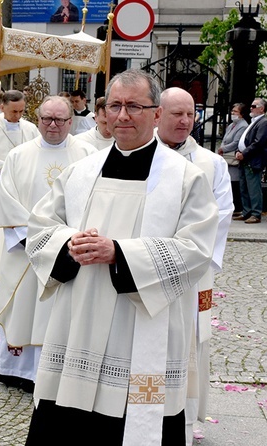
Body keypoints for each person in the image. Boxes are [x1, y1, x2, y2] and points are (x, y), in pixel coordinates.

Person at [24, 69, 219, 445]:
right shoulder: (80, 173)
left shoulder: (185, 178)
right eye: (115, 105)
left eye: (134, 106)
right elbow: (40, 227)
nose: (123, 116)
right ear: (104, 112)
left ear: (156, 114)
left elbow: (196, 250)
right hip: (79, 319)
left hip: (141, 325)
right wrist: (69, 243)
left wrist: (120, 253)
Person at [0, 95, 96, 393]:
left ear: (70, 122)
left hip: (67, 253)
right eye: (47, 118)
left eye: (60, 120)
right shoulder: (18, 155)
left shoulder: (87, 155)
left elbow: (93, 203)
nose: (53, 125)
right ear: (38, 120)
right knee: (23, 307)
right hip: (25, 250)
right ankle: (16, 370)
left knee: (59, 311)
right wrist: (34, 239)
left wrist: (64, 242)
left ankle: (56, 371)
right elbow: (5, 201)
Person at [155, 86, 233, 446]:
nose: (186, 121)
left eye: (191, 114)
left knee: (192, 341)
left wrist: (189, 256)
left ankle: (182, 423)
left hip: (195, 273)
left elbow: (221, 215)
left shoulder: (211, 163)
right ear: (158, 114)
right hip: (149, 268)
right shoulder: (141, 156)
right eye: (177, 114)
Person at [234, 98, 267, 224]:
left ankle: (255, 213)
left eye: (254, 106)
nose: (251, 108)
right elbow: (244, 139)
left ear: (261, 108)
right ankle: (246, 211)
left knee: (253, 188)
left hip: (253, 160)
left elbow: (258, 143)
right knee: (244, 187)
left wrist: (244, 153)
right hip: (245, 158)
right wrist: (238, 151)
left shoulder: (263, 122)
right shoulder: (254, 121)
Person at [218, 103, 249, 215]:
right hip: (226, 155)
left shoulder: (243, 125)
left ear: (241, 114)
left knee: (234, 182)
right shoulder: (232, 125)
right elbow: (225, 138)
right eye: (232, 111)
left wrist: (223, 149)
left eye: (235, 112)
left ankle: (238, 207)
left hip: (232, 156)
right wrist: (222, 147)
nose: (232, 113)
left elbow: (236, 142)